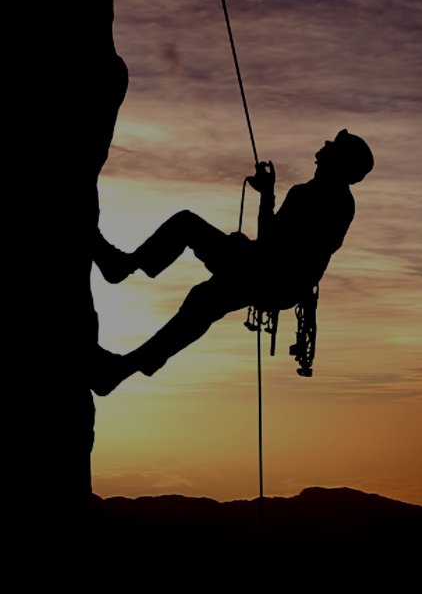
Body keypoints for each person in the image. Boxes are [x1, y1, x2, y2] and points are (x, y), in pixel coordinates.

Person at [90, 129, 373, 395]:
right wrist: (264, 204)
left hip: (269, 277)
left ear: (339, 162)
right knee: (203, 298)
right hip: (277, 280)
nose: (323, 147)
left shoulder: (317, 197)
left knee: (189, 235)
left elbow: (273, 243)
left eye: (331, 147)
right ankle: (123, 368)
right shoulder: (331, 199)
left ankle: (123, 271)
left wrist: (266, 196)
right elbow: (276, 244)